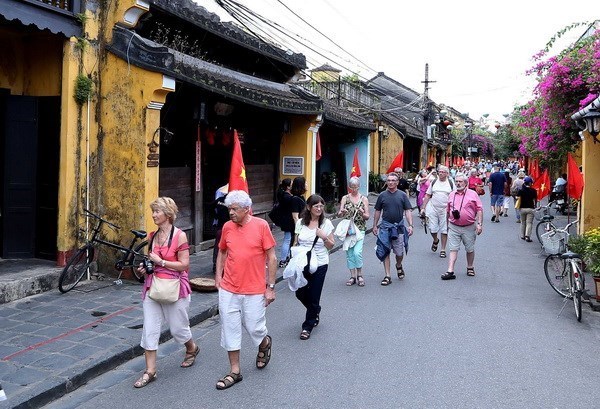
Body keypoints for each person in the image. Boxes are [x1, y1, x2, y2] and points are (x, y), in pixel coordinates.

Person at [215, 190, 277, 390]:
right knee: (229, 327)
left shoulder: (261, 226)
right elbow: (222, 251)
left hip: (254, 288)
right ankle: (235, 371)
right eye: (229, 209)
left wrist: (270, 287)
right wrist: (218, 276)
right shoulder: (227, 227)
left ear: (246, 209)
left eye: (234, 209)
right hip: (229, 288)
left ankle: (264, 342)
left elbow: (272, 258)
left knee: (254, 327)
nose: (230, 212)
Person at [134, 197, 198, 388]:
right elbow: (150, 262)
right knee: (150, 329)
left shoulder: (180, 236)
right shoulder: (152, 236)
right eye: (153, 211)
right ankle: (150, 371)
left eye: (157, 212)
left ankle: (191, 348)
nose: (153, 215)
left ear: (168, 214)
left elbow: (184, 265)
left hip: (175, 288)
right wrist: (145, 268)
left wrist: (161, 262)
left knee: (178, 329)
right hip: (153, 286)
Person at [294, 194, 335, 340]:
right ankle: (315, 310)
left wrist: (324, 237)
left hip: (321, 263)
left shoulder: (326, 223)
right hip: (303, 262)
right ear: (308, 207)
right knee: (300, 293)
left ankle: (307, 326)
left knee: (314, 295)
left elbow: (331, 245)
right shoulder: (300, 223)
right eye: (316, 206)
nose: (319, 208)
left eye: (321, 206)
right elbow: (296, 242)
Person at [373, 172, 414, 286]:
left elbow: (407, 210)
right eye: (389, 180)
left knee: (399, 253)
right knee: (385, 250)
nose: (390, 182)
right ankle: (387, 275)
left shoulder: (402, 195)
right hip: (385, 227)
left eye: (393, 180)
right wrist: (375, 225)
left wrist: (410, 225)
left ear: (397, 182)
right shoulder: (382, 195)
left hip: (398, 227)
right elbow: (377, 211)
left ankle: (399, 265)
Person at [441, 174, 483, 280]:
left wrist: (479, 224)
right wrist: (446, 226)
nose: (458, 183)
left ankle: (470, 267)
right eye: (456, 181)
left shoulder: (472, 194)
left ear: (466, 183)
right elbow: (447, 211)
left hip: (468, 226)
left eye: (460, 181)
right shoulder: (451, 195)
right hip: (454, 226)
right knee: (453, 248)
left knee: (469, 248)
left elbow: (479, 209)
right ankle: (450, 270)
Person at [338, 177, 370, 287]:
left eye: (355, 187)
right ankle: (352, 276)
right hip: (348, 229)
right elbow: (340, 214)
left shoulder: (363, 199)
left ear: (359, 187)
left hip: (360, 229)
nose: (354, 189)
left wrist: (362, 213)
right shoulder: (345, 198)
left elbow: (367, 216)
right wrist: (342, 212)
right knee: (350, 253)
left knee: (357, 252)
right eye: (352, 187)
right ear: (349, 187)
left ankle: (360, 274)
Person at [420, 165, 454, 258]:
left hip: (445, 210)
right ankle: (435, 240)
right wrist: (423, 208)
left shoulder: (451, 183)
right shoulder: (434, 182)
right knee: (432, 228)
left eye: (443, 172)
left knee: (444, 230)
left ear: (447, 173)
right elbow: (427, 195)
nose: (441, 173)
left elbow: (455, 196)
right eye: (439, 171)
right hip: (433, 208)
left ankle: (443, 249)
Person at [276, 178, 295, 268]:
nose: (293, 185)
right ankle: (283, 259)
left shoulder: (284, 195)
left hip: (286, 220)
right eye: (292, 184)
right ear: (288, 186)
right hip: (288, 221)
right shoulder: (287, 197)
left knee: (288, 239)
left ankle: (286, 257)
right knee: (287, 240)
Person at [517, 177, 538, 242]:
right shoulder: (533, 190)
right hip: (530, 208)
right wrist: (535, 206)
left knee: (523, 222)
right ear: (530, 183)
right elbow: (535, 200)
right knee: (529, 223)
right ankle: (527, 236)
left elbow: (517, 197)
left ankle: (522, 235)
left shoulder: (521, 190)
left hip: (522, 208)